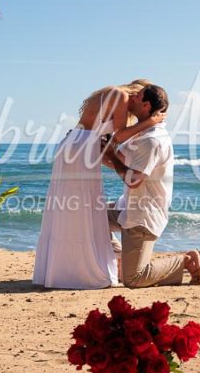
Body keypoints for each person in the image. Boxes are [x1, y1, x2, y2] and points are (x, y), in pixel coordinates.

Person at [32, 80, 166, 289]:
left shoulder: (113, 97)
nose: (137, 102)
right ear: (137, 92)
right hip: (81, 146)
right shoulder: (120, 96)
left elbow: (112, 142)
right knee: (83, 206)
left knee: (78, 208)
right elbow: (119, 136)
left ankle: (69, 268)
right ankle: (81, 269)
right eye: (141, 96)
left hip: (78, 145)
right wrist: (150, 123)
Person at [103, 84, 200, 288]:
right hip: (128, 208)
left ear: (146, 104)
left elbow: (133, 180)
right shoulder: (143, 135)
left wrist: (111, 157)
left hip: (142, 217)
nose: (131, 101)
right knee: (91, 216)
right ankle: (120, 257)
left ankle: (186, 260)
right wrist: (103, 154)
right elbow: (120, 159)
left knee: (133, 280)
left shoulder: (152, 140)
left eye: (137, 97)